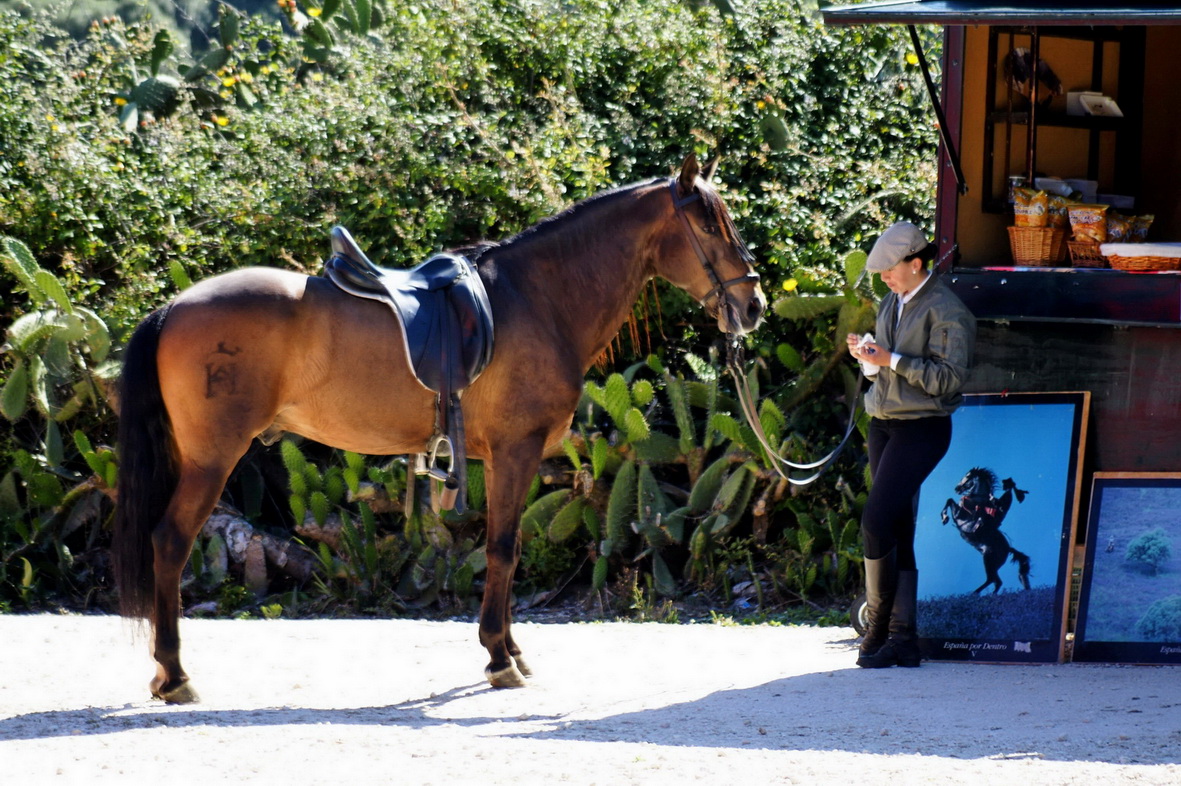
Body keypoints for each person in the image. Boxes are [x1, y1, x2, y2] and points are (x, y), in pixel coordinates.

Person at [845, 222, 976, 669]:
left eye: (889, 270)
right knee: (897, 526)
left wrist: (891, 359)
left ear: (916, 263)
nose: (883, 278)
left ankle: (876, 633)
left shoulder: (948, 311)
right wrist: (868, 358)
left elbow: (948, 380)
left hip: (922, 427)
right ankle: (903, 642)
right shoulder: (891, 302)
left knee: (876, 519)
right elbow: (882, 369)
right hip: (882, 423)